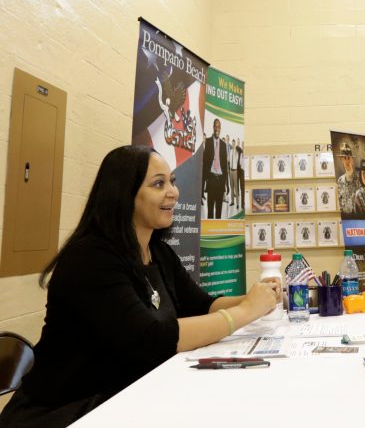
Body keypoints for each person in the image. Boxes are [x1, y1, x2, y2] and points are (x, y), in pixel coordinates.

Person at [0, 146, 281, 428]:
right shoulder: (91, 258)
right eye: (159, 183)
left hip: (125, 399)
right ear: (124, 194)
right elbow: (151, 340)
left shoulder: (159, 252)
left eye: (172, 181)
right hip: (67, 412)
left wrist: (259, 298)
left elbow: (202, 304)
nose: (173, 191)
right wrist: (245, 311)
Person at [202, 119, 229, 219]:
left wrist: (225, 184)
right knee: (210, 210)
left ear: (220, 129)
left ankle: (217, 232)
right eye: (216, 127)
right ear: (213, 127)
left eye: (219, 127)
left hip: (220, 181)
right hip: (211, 179)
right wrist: (204, 181)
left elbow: (225, 167)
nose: (217, 129)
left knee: (219, 210)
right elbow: (205, 163)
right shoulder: (208, 142)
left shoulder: (223, 144)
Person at [336, 142, 360, 215]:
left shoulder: (360, 180)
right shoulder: (340, 180)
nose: (347, 161)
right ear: (342, 161)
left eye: (349, 158)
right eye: (344, 158)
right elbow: (339, 201)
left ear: (352, 160)